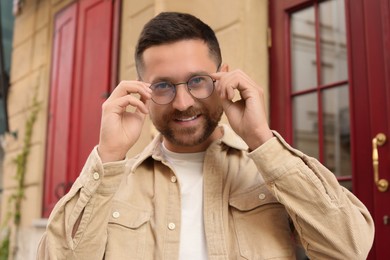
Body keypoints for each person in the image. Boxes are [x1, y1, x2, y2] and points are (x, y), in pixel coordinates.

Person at [37, 12, 374, 259]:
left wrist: (261, 139)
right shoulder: (114, 183)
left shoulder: (268, 170)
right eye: (164, 86)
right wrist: (108, 155)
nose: (183, 103)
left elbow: (350, 248)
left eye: (197, 80)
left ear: (224, 78)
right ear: (143, 91)